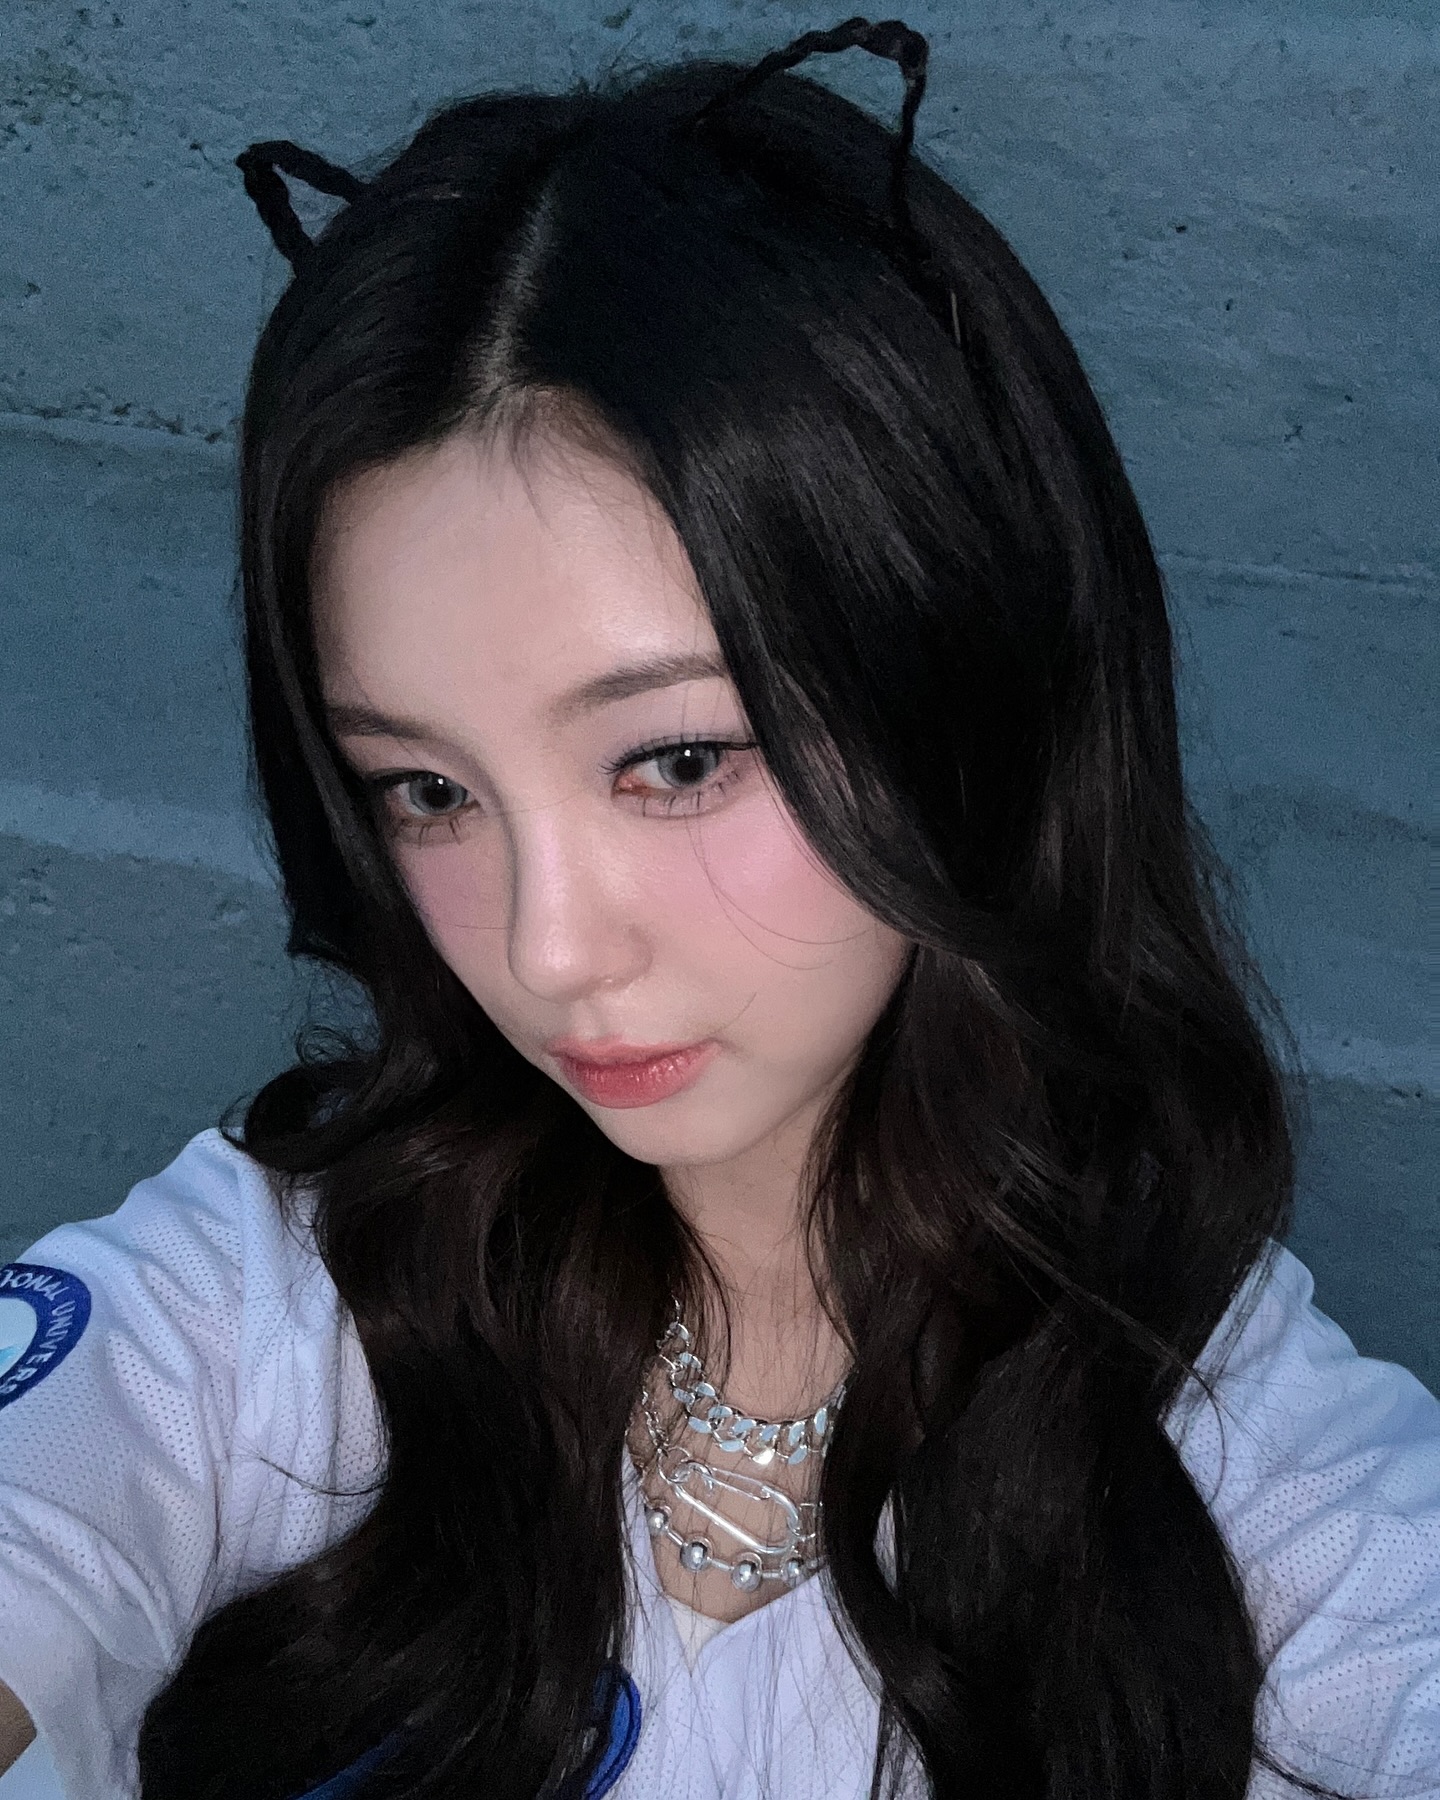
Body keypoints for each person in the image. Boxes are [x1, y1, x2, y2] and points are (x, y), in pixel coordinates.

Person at [0, 14, 1435, 1799]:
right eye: (427, 790)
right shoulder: (270, 1304)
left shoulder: (1263, 1489)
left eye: (675, 761)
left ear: (959, 694)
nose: (546, 948)